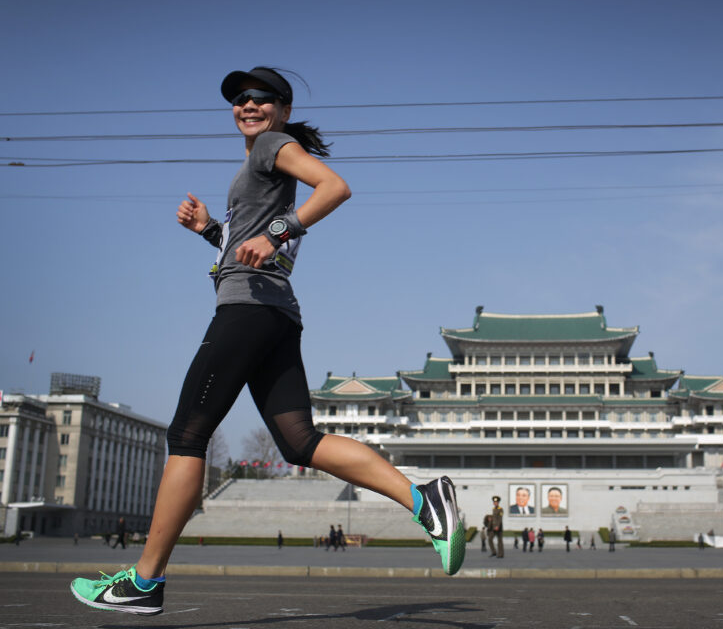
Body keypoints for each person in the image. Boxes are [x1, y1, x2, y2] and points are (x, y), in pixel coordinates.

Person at [69, 67, 465, 616]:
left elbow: (335, 188)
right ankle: (424, 500)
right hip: (275, 311)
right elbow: (249, 244)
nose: (246, 105)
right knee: (299, 442)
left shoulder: (272, 146)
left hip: (249, 312)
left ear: (281, 108)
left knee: (187, 435)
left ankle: (145, 581)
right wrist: (211, 230)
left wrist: (278, 231)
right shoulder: (262, 160)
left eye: (259, 98)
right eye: (238, 99)